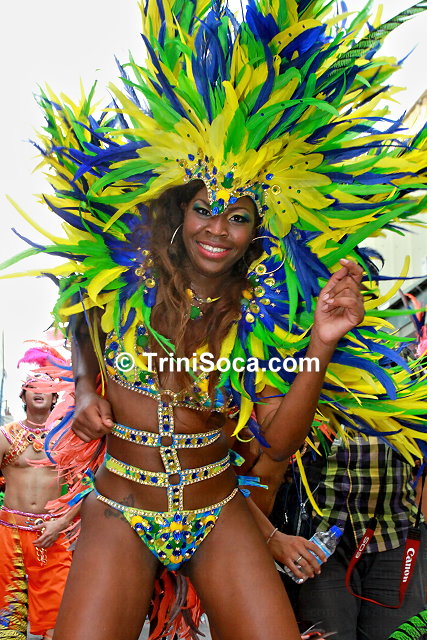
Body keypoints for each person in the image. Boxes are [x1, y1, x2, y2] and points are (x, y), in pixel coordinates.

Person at [2, 1, 427, 639]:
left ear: (257, 230)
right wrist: (87, 387)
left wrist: (321, 342)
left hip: (218, 507)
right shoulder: (126, 281)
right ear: (181, 211)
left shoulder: (261, 314)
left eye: (238, 217)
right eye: (205, 209)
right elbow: (82, 312)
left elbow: (276, 445)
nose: (217, 230)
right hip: (121, 505)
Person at [0, 374, 75, 640]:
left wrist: (61, 523)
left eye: (46, 387)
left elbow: (86, 487)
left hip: (51, 534)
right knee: (9, 621)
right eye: (32, 387)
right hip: (9, 535)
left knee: (56, 619)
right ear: (23, 395)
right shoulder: (5, 435)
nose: (39, 391)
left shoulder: (68, 439)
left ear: (55, 397)